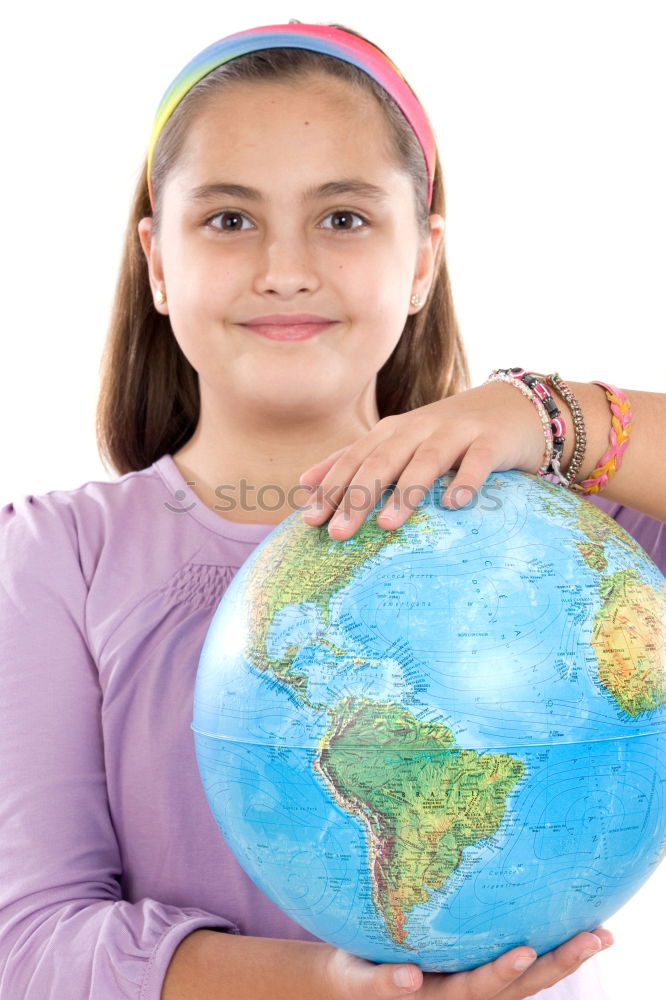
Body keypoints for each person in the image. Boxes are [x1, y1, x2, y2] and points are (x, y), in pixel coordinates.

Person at [0, 20, 663, 1000]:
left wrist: (553, 416)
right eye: (228, 219)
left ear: (425, 259)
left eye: (343, 217)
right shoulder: (58, 555)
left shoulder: (559, 540)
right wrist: (330, 985)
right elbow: (31, 942)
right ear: (157, 259)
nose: (285, 267)